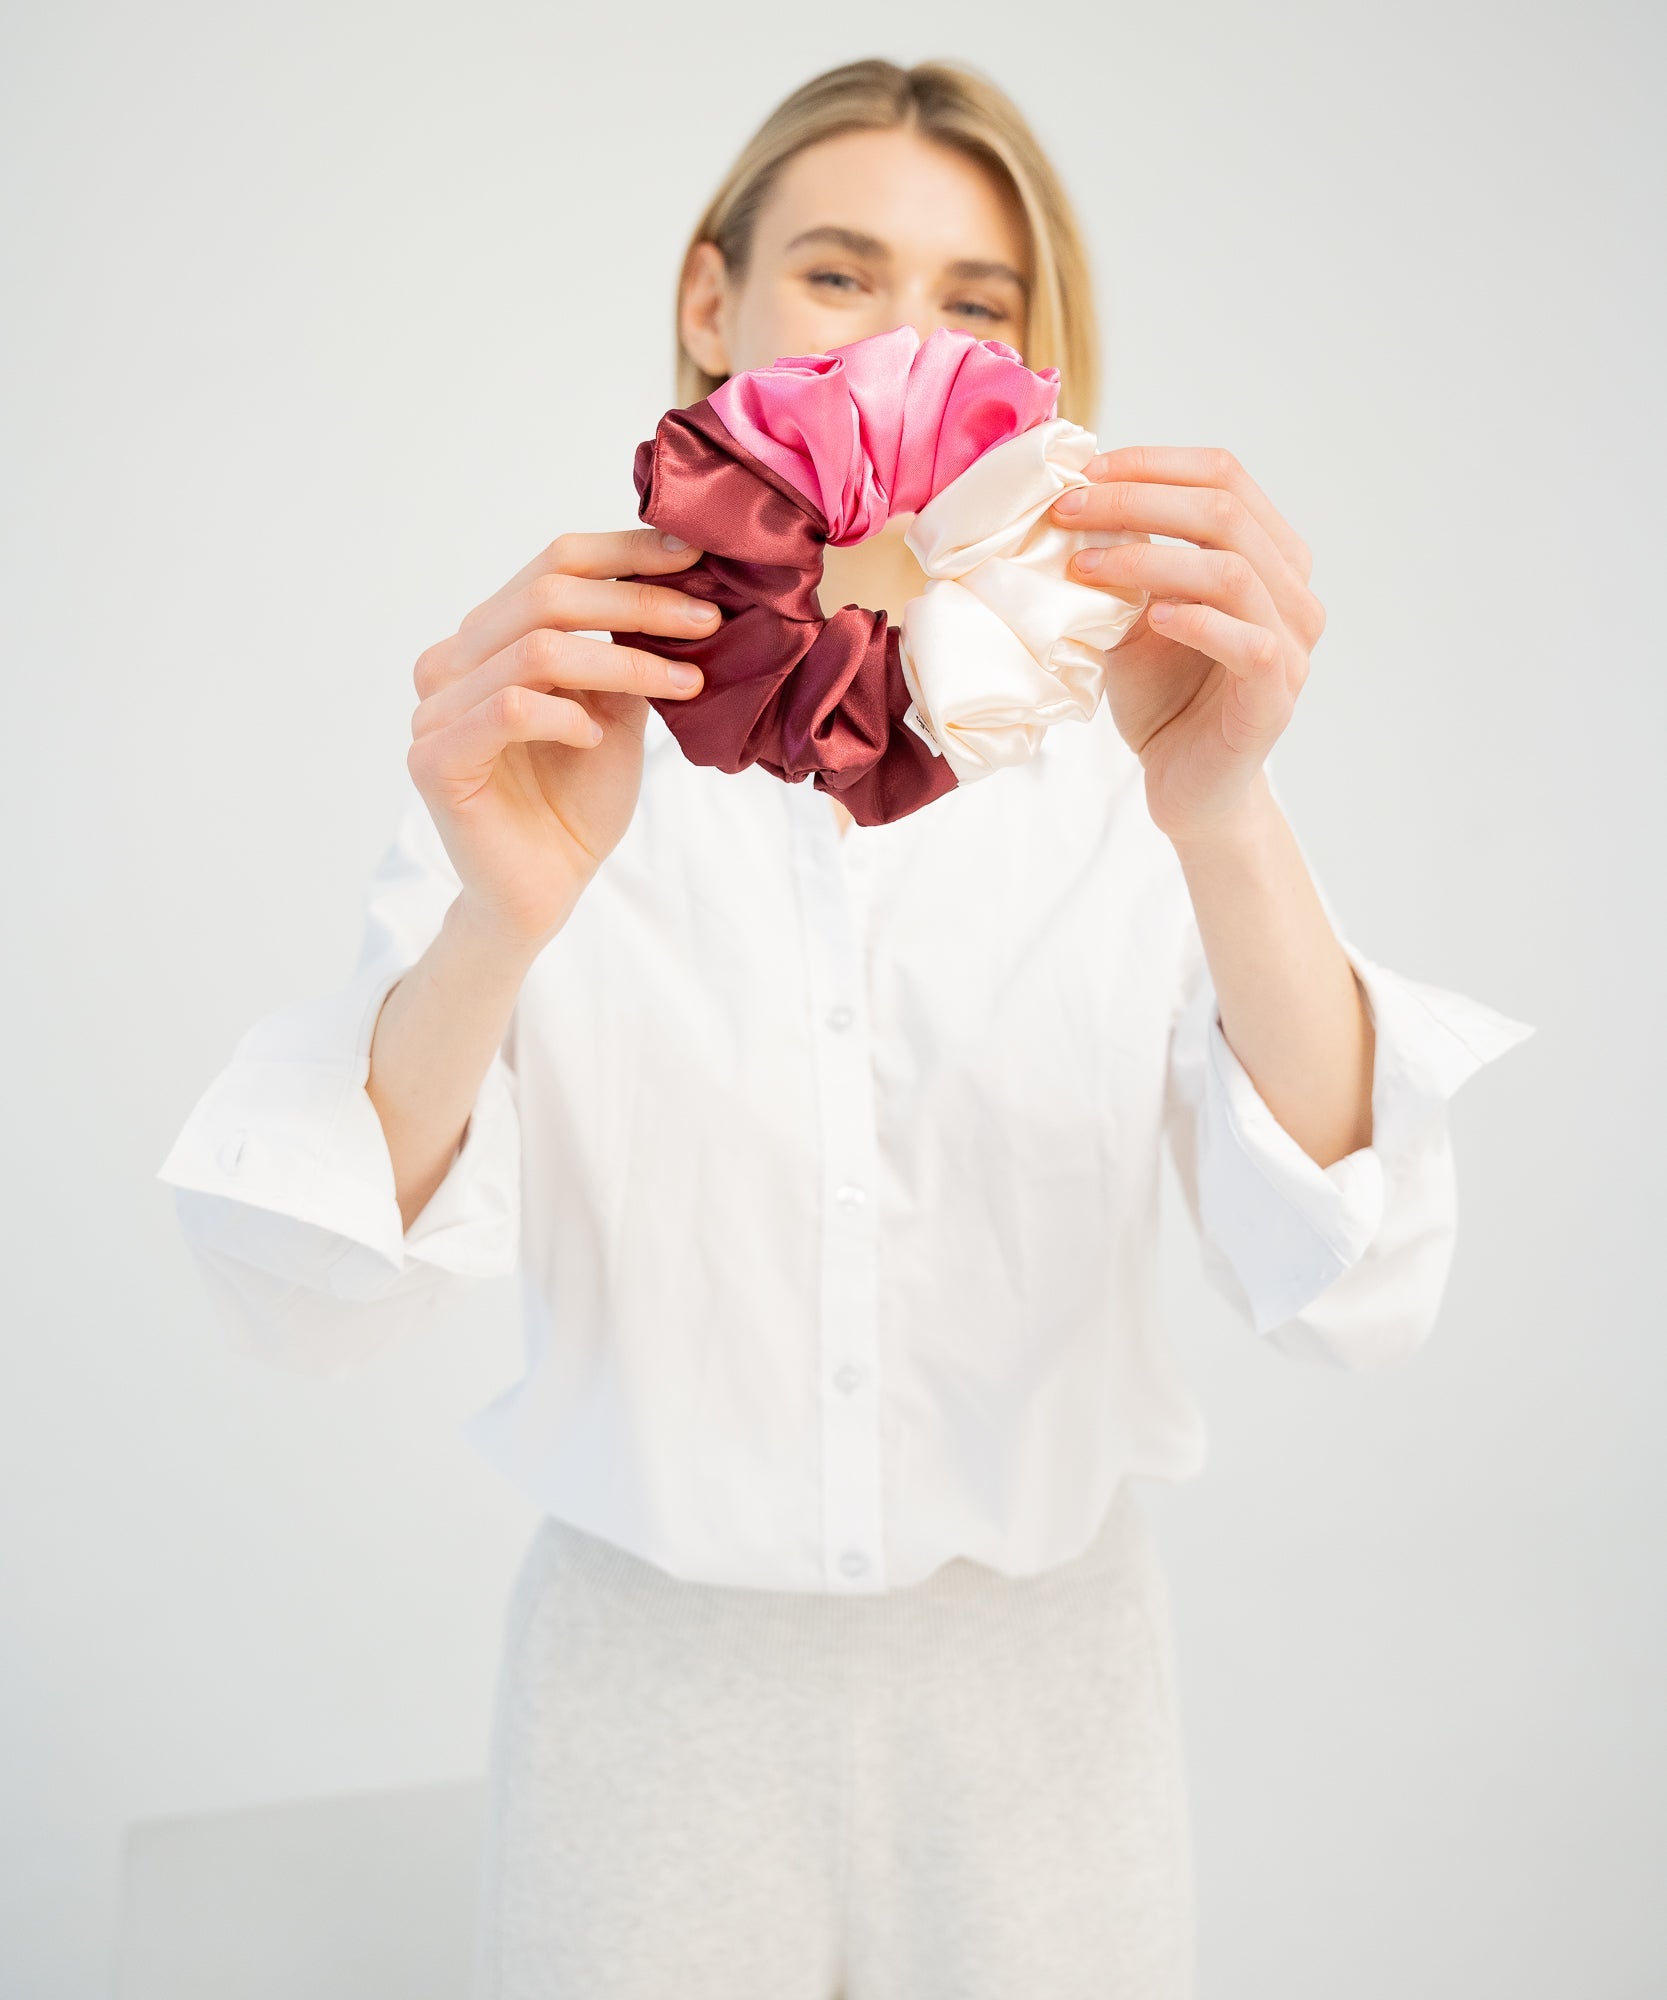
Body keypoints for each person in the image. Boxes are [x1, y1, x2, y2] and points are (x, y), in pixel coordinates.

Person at [155, 56, 1536, 2000]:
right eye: (838, 270)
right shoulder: (558, 733)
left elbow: (1352, 1281)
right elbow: (304, 1293)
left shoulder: (1126, 757)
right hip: (647, 1704)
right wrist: (502, 912)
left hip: (1050, 1703)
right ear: (709, 306)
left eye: (977, 299)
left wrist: (1221, 810)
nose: (906, 336)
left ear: (1037, 361)